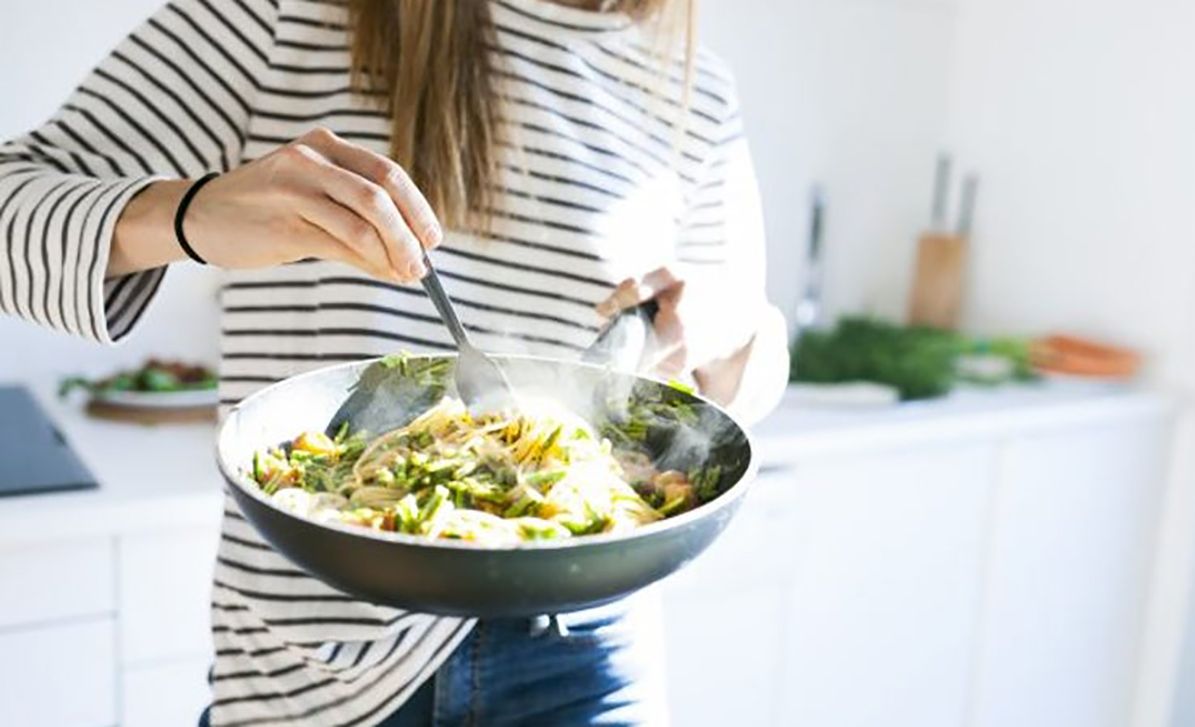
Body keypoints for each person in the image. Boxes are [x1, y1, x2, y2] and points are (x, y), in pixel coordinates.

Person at [0, 0, 788, 724]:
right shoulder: (280, 16)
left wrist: (734, 327)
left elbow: (740, 386)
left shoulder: (695, 92)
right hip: (311, 669)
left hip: (584, 657)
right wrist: (188, 213)